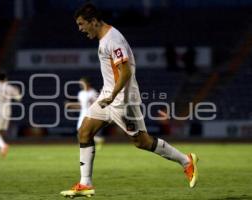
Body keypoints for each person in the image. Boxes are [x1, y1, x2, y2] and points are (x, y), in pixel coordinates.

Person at [60, 3, 198, 198]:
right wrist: (108, 95)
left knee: (142, 141)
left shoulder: (113, 40)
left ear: (93, 21)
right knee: (84, 131)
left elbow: (126, 72)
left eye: (82, 24)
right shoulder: (104, 38)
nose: (80, 29)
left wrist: (113, 96)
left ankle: (187, 161)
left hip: (123, 100)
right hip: (108, 96)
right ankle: (85, 184)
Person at [66, 77, 105, 148]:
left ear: (87, 83)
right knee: (79, 130)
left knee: (87, 131)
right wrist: (70, 105)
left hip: (90, 113)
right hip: (83, 113)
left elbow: (97, 104)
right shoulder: (81, 93)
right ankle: (94, 141)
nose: (81, 84)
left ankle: (88, 144)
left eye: (82, 82)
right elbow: (81, 106)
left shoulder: (93, 92)